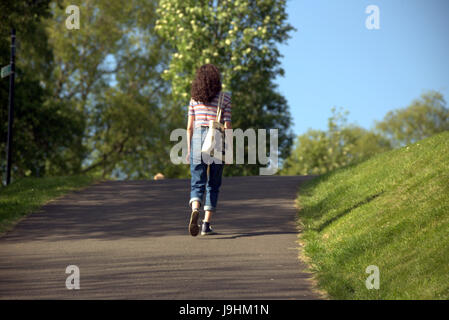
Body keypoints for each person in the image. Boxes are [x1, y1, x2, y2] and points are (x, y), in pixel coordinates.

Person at [186, 64, 232, 237]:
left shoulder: (193, 99)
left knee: (197, 182)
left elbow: (189, 127)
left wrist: (189, 150)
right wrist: (229, 150)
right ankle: (206, 224)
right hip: (216, 140)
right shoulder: (225, 98)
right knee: (213, 183)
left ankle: (195, 208)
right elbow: (227, 127)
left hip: (197, 138)